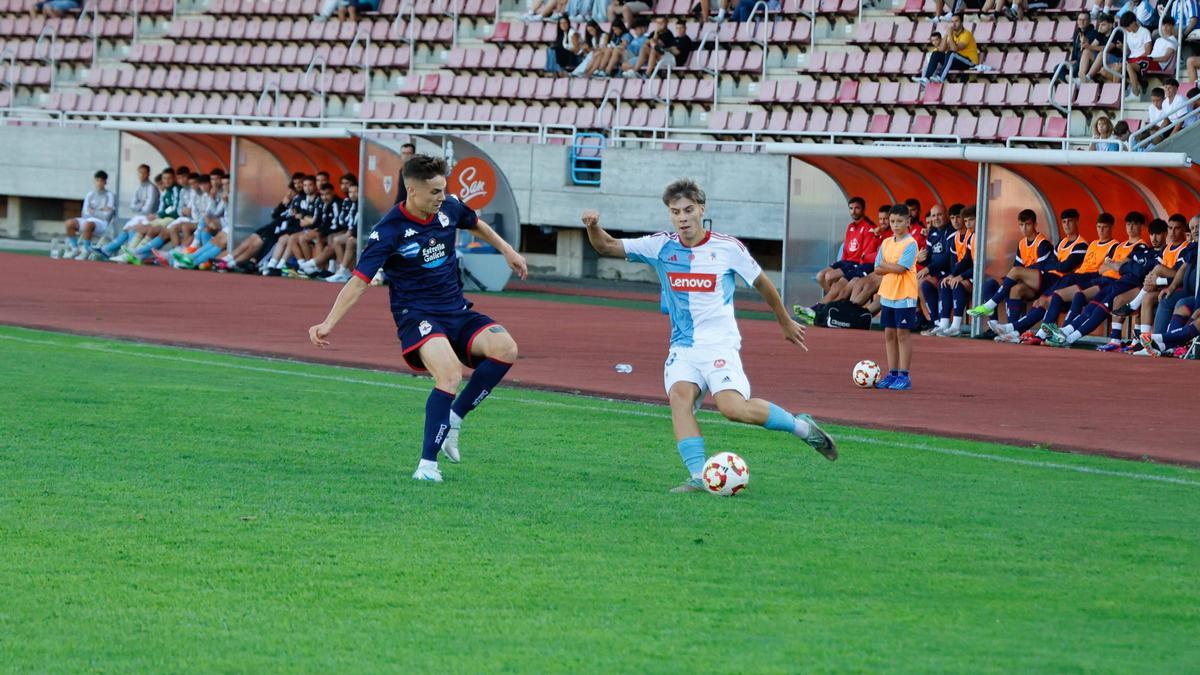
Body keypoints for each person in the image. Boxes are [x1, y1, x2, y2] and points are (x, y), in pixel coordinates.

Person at [580, 178, 838, 493]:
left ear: (701, 209)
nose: (682, 217)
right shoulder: (660, 245)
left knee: (733, 409)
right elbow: (606, 245)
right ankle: (699, 477)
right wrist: (593, 226)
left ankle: (802, 428)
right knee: (679, 399)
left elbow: (761, 283)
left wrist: (784, 321)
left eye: (688, 210)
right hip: (683, 347)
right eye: (675, 212)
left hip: (719, 344)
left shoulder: (727, 248)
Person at [308, 155, 528, 483]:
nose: (443, 197)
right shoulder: (389, 231)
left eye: (444, 190)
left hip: (456, 311)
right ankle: (427, 466)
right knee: (450, 375)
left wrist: (508, 251)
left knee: (506, 348)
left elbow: (474, 223)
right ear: (412, 190)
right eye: (435, 192)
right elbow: (358, 281)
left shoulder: (449, 207)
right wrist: (328, 323)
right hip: (418, 317)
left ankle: (454, 417)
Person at [1044, 218, 1162, 347]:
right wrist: (1123, 266)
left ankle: (1070, 338)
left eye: (1158, 234)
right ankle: (1065, 331)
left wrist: (1121, 266)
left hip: (1127, 285)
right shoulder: (1141, 251)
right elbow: (1110, 267)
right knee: (1088, 302)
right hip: (1114, 282)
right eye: (1152, 234)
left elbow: (1136, 271)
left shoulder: (1144, 247)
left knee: (1102, 307)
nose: (1154, 238)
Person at [989, 208, 1090, 342]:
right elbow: (1050, 264)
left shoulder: (1081, 244)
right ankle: (1014, 333)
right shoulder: (1061, 243)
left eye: (1070, 221)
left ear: (1077, 222)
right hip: (1051, 280)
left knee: (1021, 278)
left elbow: (1065, 267)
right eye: (1064, 222)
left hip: (1064, 282)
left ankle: (998, 312)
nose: (1066, 225)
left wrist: (1056, 264)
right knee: (1016, 289)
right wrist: (1057, 264)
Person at [967, 209, 1052, 322]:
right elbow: (1017, 265)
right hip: (1026, 282)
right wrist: (1010, 279)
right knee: (993, 284)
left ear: (1035, 225)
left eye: (1028, 224)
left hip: (1043, 282)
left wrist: (1019, 275)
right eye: (1021, 225)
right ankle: (1004, 326)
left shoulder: (1042, 243)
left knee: (1015, 273)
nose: (1024, 228)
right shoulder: (1022, 243)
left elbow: (1041, 269)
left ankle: (989, 306)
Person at [872, 204, 920, 390]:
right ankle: (892, 373)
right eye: (892, 221)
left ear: (908, 222)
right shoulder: (886, 243)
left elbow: (901, 269)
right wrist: (888, 265)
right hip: (888, 294)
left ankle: (904, 375)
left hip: (905, 294)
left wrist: (887, 265)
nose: (895, 225)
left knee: (902, 334)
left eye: (899, 221)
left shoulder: (911, 243)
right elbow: (877, 268)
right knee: (889, 334)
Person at [99, 164, 158, 260]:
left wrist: (139, 206)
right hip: (140, 216)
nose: (141, 175)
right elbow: (132, 206)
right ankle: (108, 250)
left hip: (150, 217)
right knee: (126, 228)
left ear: (148, 174)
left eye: (144, 173)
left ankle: (125, 252)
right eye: (140, 173)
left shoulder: (151, 188)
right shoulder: (139, 188)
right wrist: (140, 205)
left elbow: (148, 209)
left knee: (132, 228)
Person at [63, 170, 115, 260]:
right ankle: (75, 249)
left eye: (101, 181)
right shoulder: (90, 194)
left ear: (105, 182)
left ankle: (86, 250)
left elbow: (107, 215)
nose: (99, 183)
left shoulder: (109, 195)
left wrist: (93, 211)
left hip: (101, 223)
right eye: (97, 180)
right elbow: (84, 212)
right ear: (95, 181)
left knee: (88, 224)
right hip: (87, 219)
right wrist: (100, 210)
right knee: (69, 223)